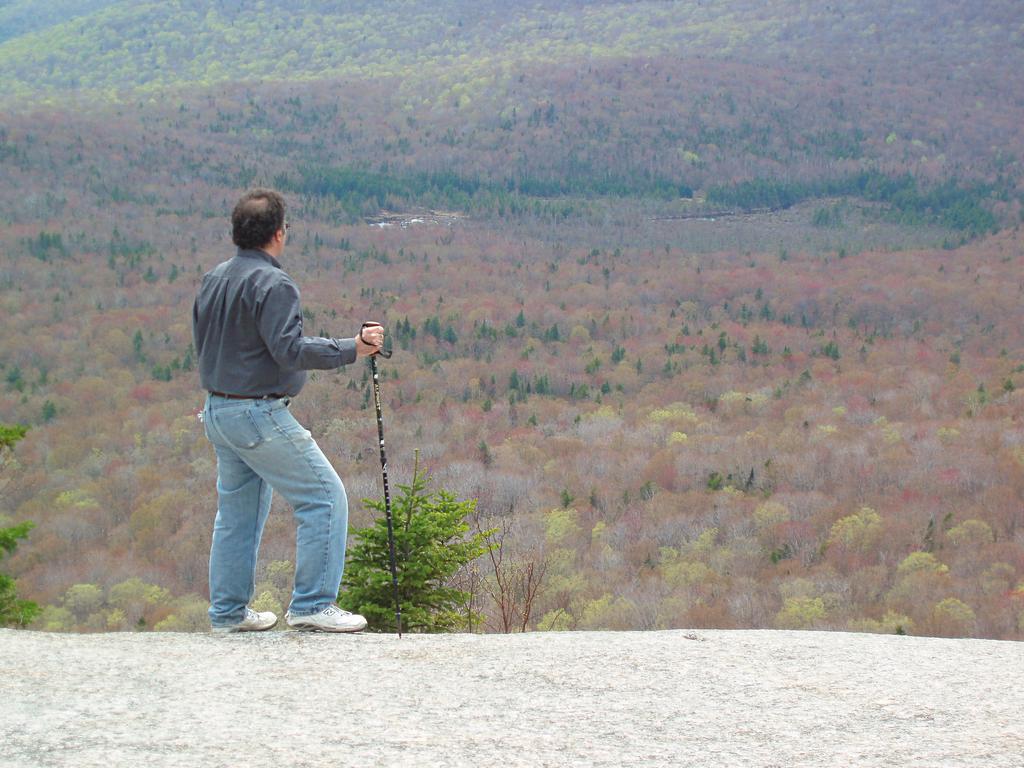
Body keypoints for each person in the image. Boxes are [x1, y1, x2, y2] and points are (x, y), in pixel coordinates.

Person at [192, 188, 383, 633]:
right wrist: (352, 349)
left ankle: (228, 614)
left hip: (218, 412)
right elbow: (289, 350)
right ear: (279, 234)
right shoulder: (274, 284)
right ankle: (313, 604)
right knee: (324, 497)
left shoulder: (212, 279)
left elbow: (208, 345)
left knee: (237, 516)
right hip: (258, 415)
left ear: (238, 233)